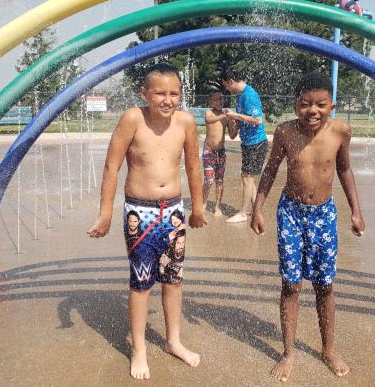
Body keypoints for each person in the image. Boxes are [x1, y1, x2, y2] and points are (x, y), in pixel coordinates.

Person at [87, 63, 207, 380]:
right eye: (160, 93)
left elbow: (194, 167)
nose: (168, 100)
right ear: (145, 93)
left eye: (174, 93)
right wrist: (106, 213)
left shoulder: (185, 122)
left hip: (175, 211)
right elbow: (112, 167)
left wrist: (199, 206)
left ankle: (173, 341)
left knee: (174, 278)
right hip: (141, 213)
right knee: (141, 283)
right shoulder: (132, 119)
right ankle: (139, 348)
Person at [250, 71, 365, 382]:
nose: (312, 111)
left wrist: (356, 211)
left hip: (324, 215)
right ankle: (289, 352)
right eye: (305, 104)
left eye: (321, 105)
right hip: (291, 213)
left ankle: (328, 349)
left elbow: (344, 169)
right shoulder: (285, 132)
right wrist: (257, 208)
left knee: (324, 285)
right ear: (295, 104)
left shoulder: (341, 131)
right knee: (290, 284)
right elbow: (271, 170)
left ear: (332, 106)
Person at [221, 67, 268, 223]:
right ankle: (256, 209)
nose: (227, 89)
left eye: (226, 85)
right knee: (248, 177)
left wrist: (236, 115)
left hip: (256, 143)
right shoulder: (240, 96)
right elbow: (243, 120)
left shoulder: (249, 95)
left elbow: (257, 120)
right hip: (248, 143)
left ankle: (242, 213)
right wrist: (233, 120)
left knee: (247, 177)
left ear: (231, 81)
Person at [202, 90, 237, 217]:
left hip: (221, 152)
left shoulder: (226, 116)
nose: (218, 101)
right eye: (215, 99)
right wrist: (223, 116)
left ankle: (217, 206)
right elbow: (208, 120)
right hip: (209, 150)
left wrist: (234, 124)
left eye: (220, 99)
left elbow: (233, 136)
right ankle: (204, 203)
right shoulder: (209, 112)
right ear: (210, 101)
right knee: (208, 180)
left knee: (219, 180)